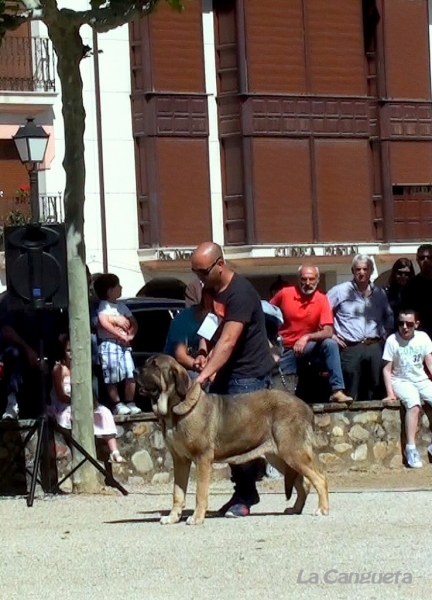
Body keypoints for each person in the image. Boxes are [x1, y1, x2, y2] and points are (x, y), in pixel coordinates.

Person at [191, 242, 275, 518]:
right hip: (228, 373)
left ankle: (246, 496)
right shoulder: (212, 290)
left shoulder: (241, 293)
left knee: (242, 439)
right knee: (226, 436)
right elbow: (214, 325)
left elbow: (228, 341)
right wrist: (204, 351)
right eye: (195, 272)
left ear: (220, 265)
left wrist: (202, 377)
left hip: (248, 374)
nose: (199, 277)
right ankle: (242, 491)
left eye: (203, 271)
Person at [270, 265, 352, 403]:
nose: (308, 283)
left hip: (307, 347)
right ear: (298, 279)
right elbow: (266, 313)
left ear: (317, 279)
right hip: (285, 347)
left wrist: (307, 337)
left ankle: (337, 390)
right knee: (279, 389)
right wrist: (270, 343)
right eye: (304, 279)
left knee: (330, 344)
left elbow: (328, 331)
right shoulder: (285, 294)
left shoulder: (321, 299)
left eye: (311, 279)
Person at [327, 254, 394, 400]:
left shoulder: (379, 293)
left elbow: (388, 315)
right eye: (358, 269)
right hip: (350, 346)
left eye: (365, 269)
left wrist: (386, 334)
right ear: (352, 271)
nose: (361, 273)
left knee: (375, 387)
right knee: (351, 388)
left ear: (370, 271)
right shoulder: (339, 291)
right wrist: (331, 334)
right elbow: (323, 312)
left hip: (374, 345)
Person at [49, 335, 125, 463]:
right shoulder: (59, 369)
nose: (71, 354)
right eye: (68, 350)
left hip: (83, 403)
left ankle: (114, 451)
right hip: (64, 405)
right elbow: (60, 394)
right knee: (73, 415)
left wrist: (91, 403)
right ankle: (79, 448)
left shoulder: (83, 369)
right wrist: (77, 403)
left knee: (104, 412)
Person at [382, 309, 432, 469]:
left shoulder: (423, 338)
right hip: (401, 380)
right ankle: (411, 449)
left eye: (409, 324)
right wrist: (390, 393)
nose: (404, 327)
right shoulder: (392, 341)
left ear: (416, 324)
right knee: (414, 404)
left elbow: (429, 363)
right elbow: (387, 369)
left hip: (421, 379)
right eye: (401, 323)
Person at [93, 273, 141, 416]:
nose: (121, 288)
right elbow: (103, 322)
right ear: (109, 291)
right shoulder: (103, 306)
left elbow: (134, 322)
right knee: (112, 375)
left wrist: (131, 334)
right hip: (109, 344)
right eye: (117, 286)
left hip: (124, 345)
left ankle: (130, 401)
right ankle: (116, 403)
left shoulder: (122, 306)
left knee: (130, 373)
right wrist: (118, 333)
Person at [164, 290, 211, 376]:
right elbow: (180, 356)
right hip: (175, 368)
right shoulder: (183, 319)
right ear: (206, 296)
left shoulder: (213, 318)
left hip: (201, 366)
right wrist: (205, 370)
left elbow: (204, 340)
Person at [402, 244, 432, 339]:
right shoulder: (410, 286)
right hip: (420, 337)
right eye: (422, 258)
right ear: (417, 261)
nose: (426, 261)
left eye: (429, 257)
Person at [384, 258, 415, 329]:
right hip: (392, 332)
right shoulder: (386, 293)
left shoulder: (416, 293)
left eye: (407, 274)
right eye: (400, 273)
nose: (403, 276)